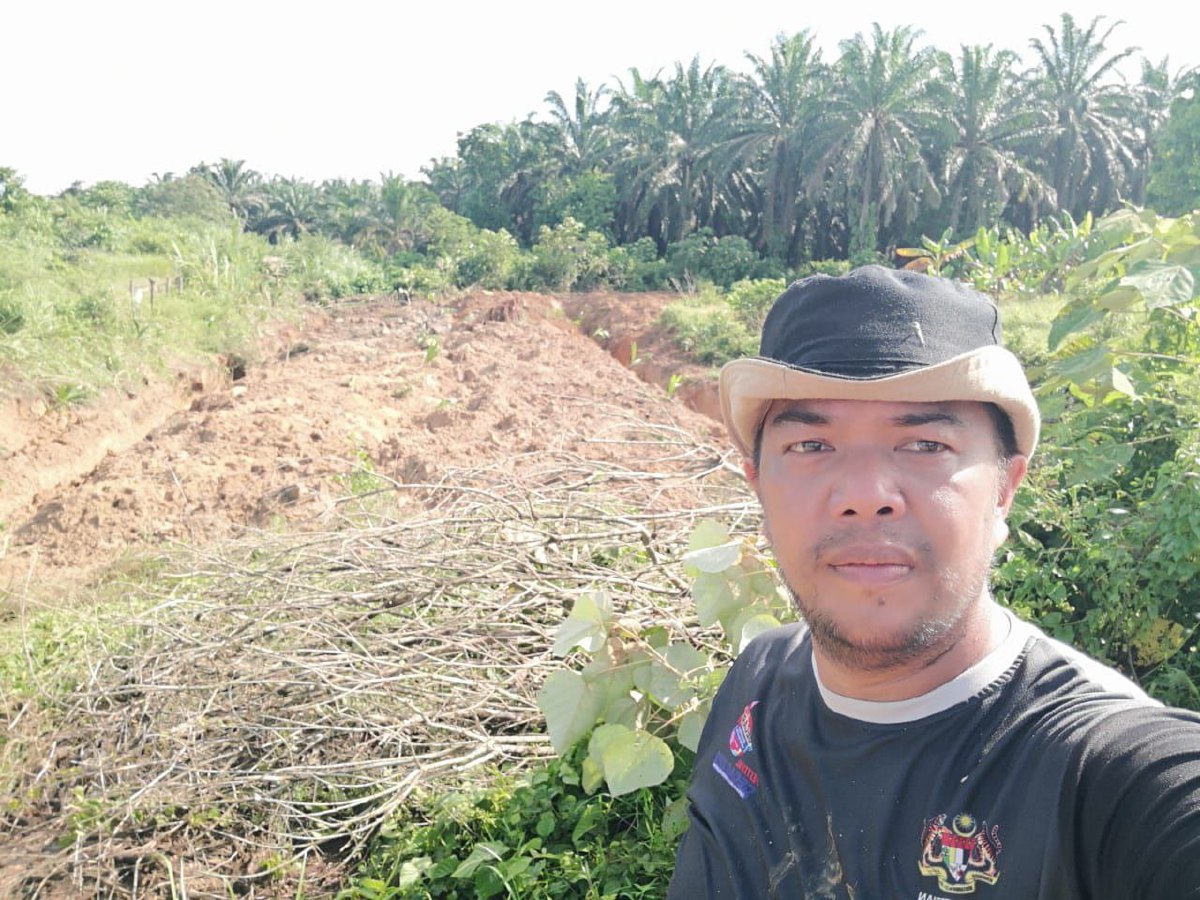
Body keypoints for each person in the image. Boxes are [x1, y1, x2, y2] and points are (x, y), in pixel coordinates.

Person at [667, 266, 1200, 899]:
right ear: (759, 485)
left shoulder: (1095, 769)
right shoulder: (758, 677)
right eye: (811, 445)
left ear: (1004, 488)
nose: (865, 497)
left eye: (923, 444)